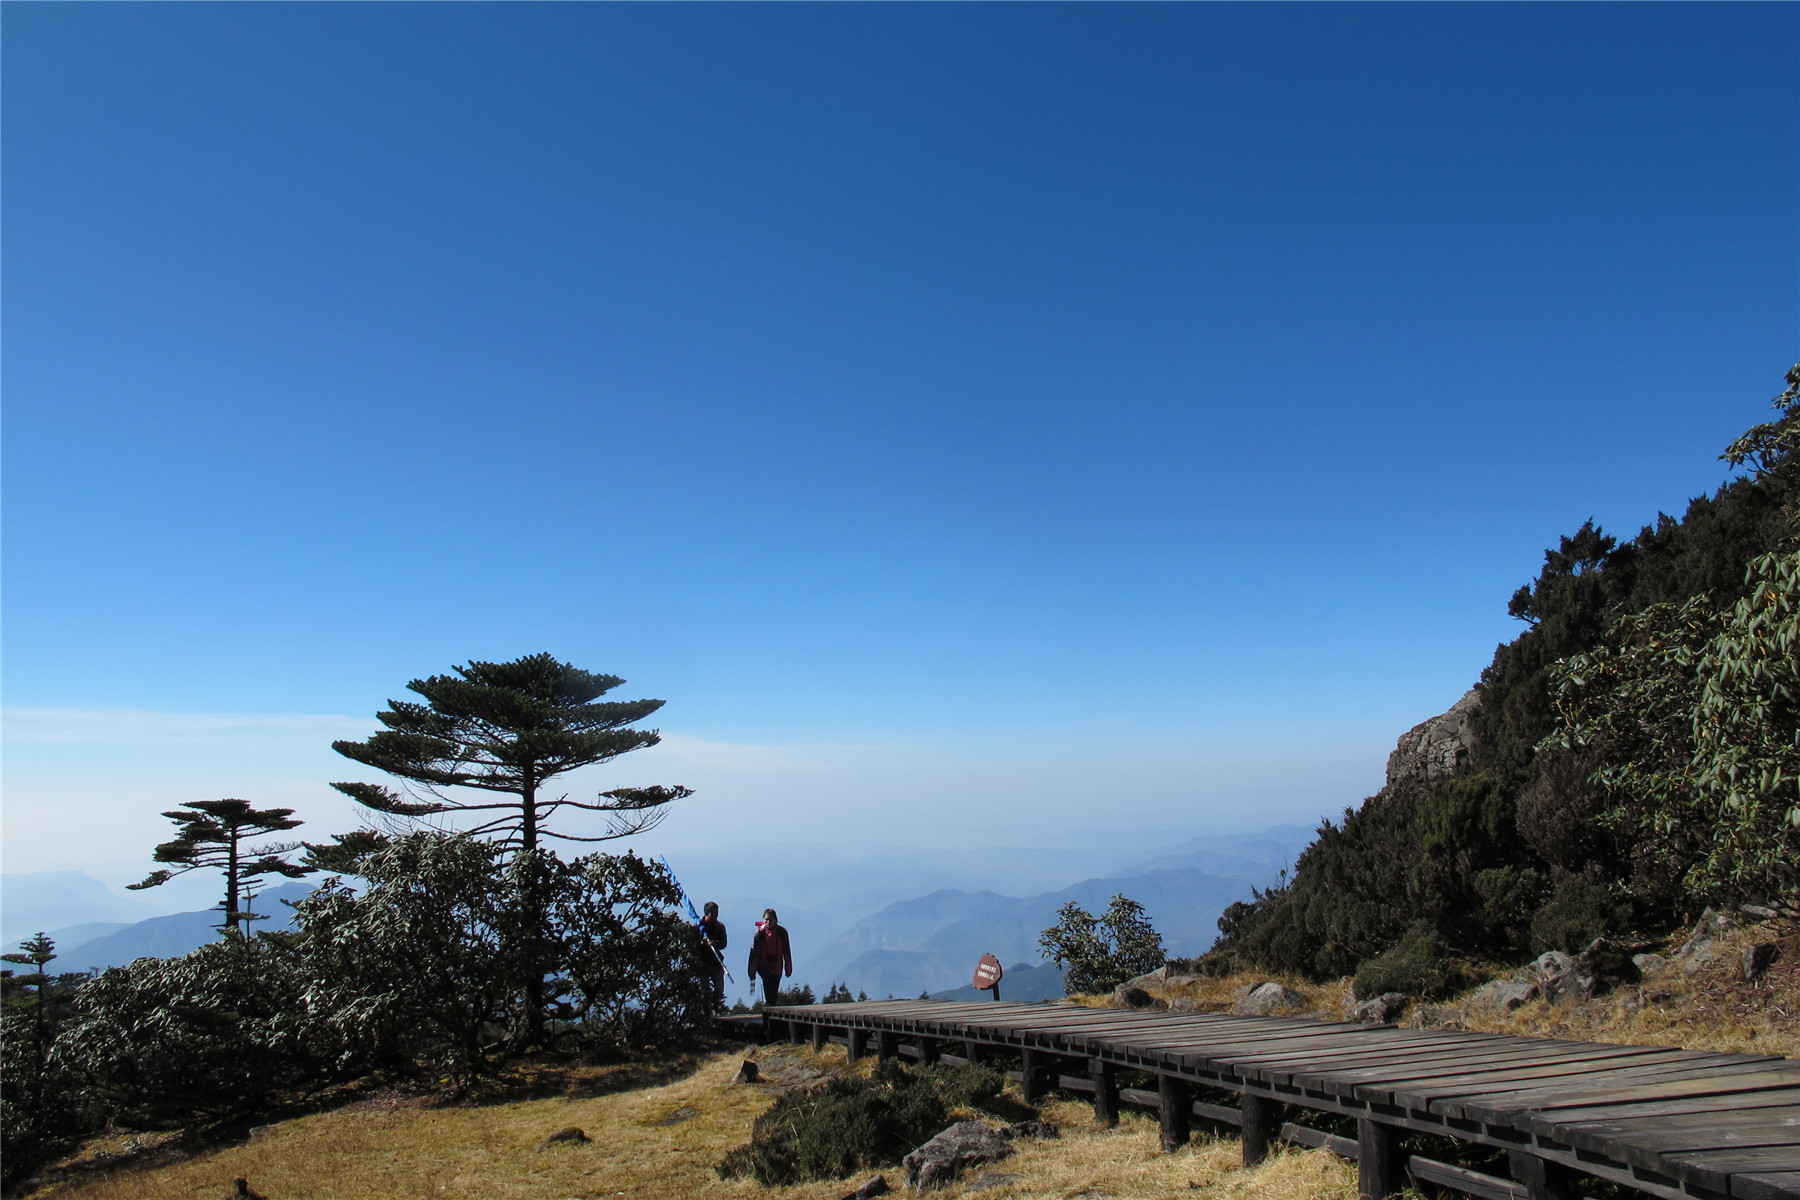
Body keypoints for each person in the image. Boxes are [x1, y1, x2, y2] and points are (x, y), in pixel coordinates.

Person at [748, 907, 792, 1007]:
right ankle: (769, 1006)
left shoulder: (782, 933)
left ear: (775, 920)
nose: (768, 922)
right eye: (766, 919)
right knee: (767, 981)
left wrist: (788, 968)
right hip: (763, 964)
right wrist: (752, 972)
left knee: (774, 988)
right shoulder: (759, 934)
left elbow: (786, 952)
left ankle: (771, 1006)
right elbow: (754, 954)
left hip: (777, 965)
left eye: (770, 919)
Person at [698, 901, 728, 1011]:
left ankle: (715, 1007)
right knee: (704, 990)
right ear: (707, 913)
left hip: (716, 962)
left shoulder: (720, 927)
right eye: (714, 913)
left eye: (717, 912)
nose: (716, 915)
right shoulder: (698, 927)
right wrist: (701, 943)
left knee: (719, 987)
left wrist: (716, 943)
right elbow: (690, 944)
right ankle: (706, 1011)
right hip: (702, 963)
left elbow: (724, 943)